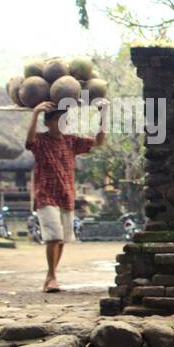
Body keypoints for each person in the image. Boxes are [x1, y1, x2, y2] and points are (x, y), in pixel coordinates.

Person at [25, 100, 106, 293]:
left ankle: (51, 276)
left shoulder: (71, 141)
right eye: (58, 119)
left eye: (65, 120)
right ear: (48, 122)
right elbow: (29, 142)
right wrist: (35, 113)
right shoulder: (40, 141)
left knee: (61, 239)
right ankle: (52, 276)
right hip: (45, 194)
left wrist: (104, 114)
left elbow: (99, 141)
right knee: (53, 236)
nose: (62, 123)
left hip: (65, 194)